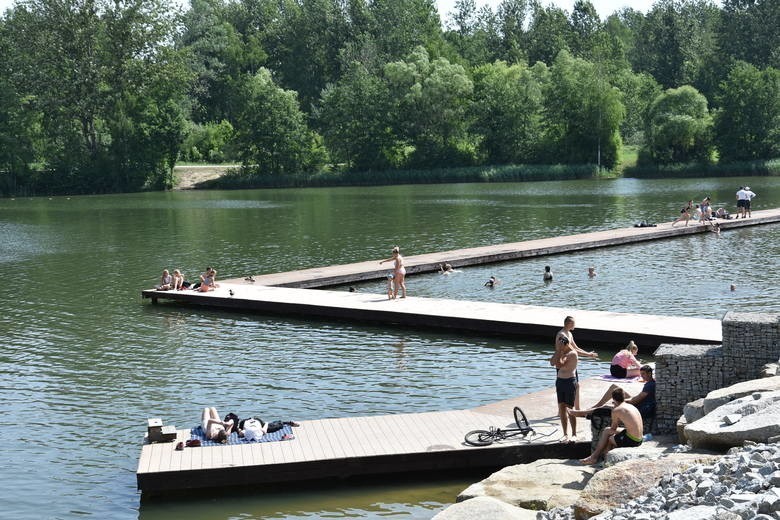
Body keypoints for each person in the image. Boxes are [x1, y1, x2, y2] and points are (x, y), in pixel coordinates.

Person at [551, 316, 598, 441]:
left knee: (576, 387)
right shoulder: (561, 334)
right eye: (574, 323)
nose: (575, 325)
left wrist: (588, 354)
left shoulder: (569, 334)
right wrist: (562, 353)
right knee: (564, 400)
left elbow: (574, 349)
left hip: (569, 364)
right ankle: (564, 412)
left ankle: (574, 413)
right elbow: (558, 356)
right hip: (562, 364)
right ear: (568, 323)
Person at [572, 365, 656, 428]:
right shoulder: (651, 382)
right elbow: (637, 398)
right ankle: (593, 408)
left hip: (639, 408)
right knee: (614, 388)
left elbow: (634, 401)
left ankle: (581, 413)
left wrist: (620, 402)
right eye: (641, 374)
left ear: (649, 373)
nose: (642, 376)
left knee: (607, 406)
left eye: (644, 374)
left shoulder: (649, 385)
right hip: (640, 404)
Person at [575, 388, 644, 464]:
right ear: (623, 397)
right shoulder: (630, 406)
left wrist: (614, 409)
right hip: (639, 438)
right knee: (607, 431)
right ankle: (597, 457)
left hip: (632, 440)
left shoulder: (616, 410)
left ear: (613, 399)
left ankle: (600, 459)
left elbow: (613, 428)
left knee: (610, 438)